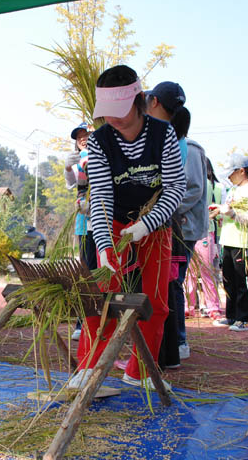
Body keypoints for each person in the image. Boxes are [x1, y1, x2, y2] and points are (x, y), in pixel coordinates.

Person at [69, 65, 185, 391]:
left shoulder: (164, 136)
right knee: (102, 298)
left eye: (120, 112)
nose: (114, 120)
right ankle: (89, 370)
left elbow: (175, 188)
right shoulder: (102, 141)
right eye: (107, 114)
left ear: (139, 101)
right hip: (114, 222)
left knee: (156, 302)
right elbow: (102, 196)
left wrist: (146, 225)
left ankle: (140, 372)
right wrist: (105, 246)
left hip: (155, 225)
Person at [145, 83, 208, 366]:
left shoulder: (188, 148)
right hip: (167, 223)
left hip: (181, 227)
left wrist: (162, 210)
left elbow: (190, 188)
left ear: (154, 102)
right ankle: (165, 346)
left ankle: (177, 341)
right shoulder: (161, 139)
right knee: (167, 285)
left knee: (172, 285)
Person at [209, 153, 248, 332]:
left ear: (241, 171)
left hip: (243, 242)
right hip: (228, 240)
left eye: (231, 173)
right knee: (228, 280)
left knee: (242, 281)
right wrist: (220, 211)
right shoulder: (234, 190)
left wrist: (231, 213)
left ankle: (245, 318)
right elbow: (229, 209)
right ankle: (231, 316)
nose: (229, 177)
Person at [63, 122, 96, 341]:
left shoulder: (102, 157)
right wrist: (67, 168)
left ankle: (97, 321)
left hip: (103, 221)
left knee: (98, 271)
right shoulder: (78, 160)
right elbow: (71, 182)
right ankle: (81, 321)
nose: (82, 139)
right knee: (84, 270)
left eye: (86, 135)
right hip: (84, 223)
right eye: (79, 137)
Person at [187, 157, 224, 320]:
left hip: (192, 232)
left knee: (191, 273)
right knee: (208, 273)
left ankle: (188, 306)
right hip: (208, 233)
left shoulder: (198, 185)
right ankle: (212, 307)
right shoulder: (217, 187)